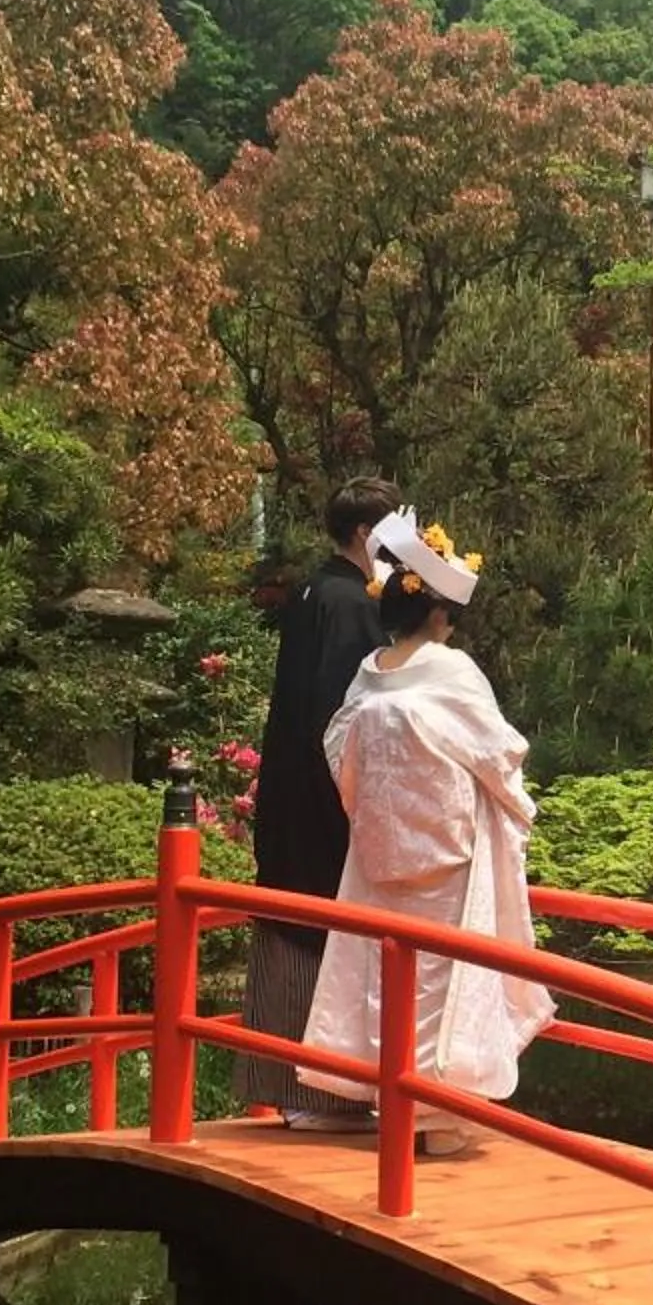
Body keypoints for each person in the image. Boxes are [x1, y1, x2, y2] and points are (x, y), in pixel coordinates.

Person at [301, 509, 555, 1156]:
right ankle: (440, 1116)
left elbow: (340, 752)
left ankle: (394, 1103)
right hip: (449, 855)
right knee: (444, 980)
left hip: (381, 853)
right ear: (439, 612)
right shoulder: (452, 672)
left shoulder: (369, 673)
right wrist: (514, 806)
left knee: (386, 980)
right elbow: (499, 753)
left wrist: (375, 814)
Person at [241, 475, 399, 1128]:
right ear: (365, 532)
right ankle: (326, 1092)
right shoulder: (353, 604)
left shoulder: (313, 591)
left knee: (294, 920)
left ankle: (290, 1085)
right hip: (324, 797)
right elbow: (343, 721)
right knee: (328, 932)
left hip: (290, 791)